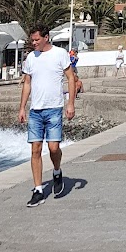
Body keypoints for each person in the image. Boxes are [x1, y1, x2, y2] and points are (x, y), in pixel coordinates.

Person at [18, 24, 76, 206]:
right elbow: (27, 83)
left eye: (36, 40)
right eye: (32, 40)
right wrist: (22, 108)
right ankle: (38, 190)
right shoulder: (30, 58)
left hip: (54, 109)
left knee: (53, 148)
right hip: (35, 111)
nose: (34, 43)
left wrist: (71, 104)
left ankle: (57, 171)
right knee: (35, 150)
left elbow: (71, 78)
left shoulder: (60, 54)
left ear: (46, 37)